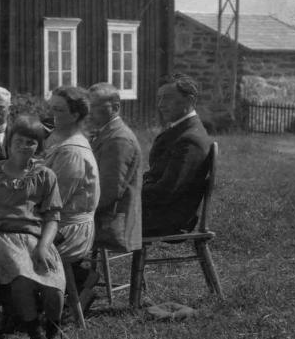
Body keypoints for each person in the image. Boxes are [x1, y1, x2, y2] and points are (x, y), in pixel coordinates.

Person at [0, 115, 65, 339]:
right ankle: (36, 334)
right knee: (21, 276)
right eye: (19, 141)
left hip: (33, 238)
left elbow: (53, 217)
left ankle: (53, 330)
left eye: (31, 142)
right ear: (8, 143)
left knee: (53, 283)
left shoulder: (44, 176)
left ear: (38, 146)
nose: (24, 146)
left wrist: (43, 246)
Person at [44, 87, 100, 314]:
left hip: (70, 230)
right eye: (51, 108)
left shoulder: (72, 152)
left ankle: (28, 308)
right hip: (60, 221)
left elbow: (55, 200)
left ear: (75, 115)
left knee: (6, 243)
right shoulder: (60, 141)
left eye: (58, 110)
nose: (51, 114)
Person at [143, 74, 213, 237]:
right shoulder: (180, 131)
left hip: (168, 219)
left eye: (167, 99)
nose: (161, 105)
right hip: (159, 211)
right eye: (159, 99)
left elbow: (166, 191)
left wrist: (128, 195)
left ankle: (75, 262)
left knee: (91, 215)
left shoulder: (190, 139)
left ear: (189, 101)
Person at [87, 83, 143, 253]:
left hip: (111, 221)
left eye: (95, 106)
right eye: (88, 106)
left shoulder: (118, 139)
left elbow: (109, 192)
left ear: (115, 107)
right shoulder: (106, 133)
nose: (89, 112)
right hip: (103, 216)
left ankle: (79, 276)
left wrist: (76, 210)